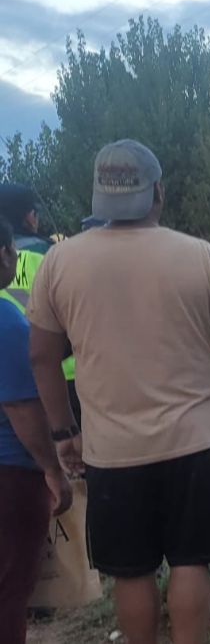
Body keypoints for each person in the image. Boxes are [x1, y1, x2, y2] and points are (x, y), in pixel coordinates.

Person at [26, 139, 210, 644]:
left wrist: (65, 432)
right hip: (195, 443)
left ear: (99, 195)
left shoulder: (60, 263)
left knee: (131, 572)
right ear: (158, 191)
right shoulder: (200, 256)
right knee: (191, 561)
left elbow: (42, 358)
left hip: (112, 452)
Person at [0, 217, 73, 644]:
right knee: (9, 591)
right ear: (4, 254)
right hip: (10, 474)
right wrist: (53, 470)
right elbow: (20, 408)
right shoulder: (7, 324)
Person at [0, 184, 80, 430]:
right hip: (63, 376)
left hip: (10, 381)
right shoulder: (53, 255)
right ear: (29, 216)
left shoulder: (6, 258)